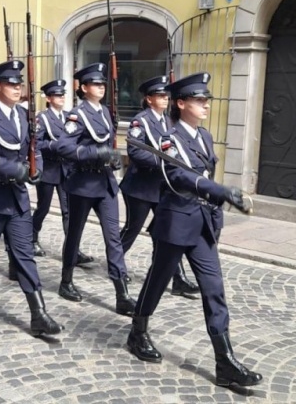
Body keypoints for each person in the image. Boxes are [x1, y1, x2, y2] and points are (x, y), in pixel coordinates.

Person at [127, 72, 261, 388]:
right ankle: (138, 331)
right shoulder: (168, 140)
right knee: (157, 281)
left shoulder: (205, 137)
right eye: (199, 100)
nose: (206, 105)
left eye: (206, 100)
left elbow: (202, 173)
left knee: (213, 289)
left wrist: (218, 200)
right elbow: (179, 178)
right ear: (182, 103)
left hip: (201, 224)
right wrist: (220, 191)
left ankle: (224, 361)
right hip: (175, 221)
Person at [0, 60, 63, 335]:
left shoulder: (25, 116)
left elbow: (36, 149)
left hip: (17, 198)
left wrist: (36, 170)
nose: (17, 89)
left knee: (25, 254)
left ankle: (38, 313)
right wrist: (14, 169)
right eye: (10, 84)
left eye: (19, 85)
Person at [55, 63, 135, 316]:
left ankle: (121, 293)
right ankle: (66, 281)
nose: (100, 87)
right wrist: (94, 153)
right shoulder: (77, 116)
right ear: (84, 88)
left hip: (106, 184)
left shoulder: (106, 112)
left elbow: (108, 142)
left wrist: (110, 157)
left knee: (113, 238)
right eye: (95, 84)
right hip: (83, 184)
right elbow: (63, 146)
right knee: (75, 234)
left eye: (103, 84)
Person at [120, 75, 198, 297]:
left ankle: (178, 278)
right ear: (149, 99)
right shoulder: (140, 121)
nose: (165, 99)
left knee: (167, 233)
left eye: (166, 96)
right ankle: (116, 264)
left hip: (162, 188)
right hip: (140, 187)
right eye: (160, 96)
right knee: (131, 229)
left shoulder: (170, 121)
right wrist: (165, 163)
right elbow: (134, 150)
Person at [31, 79, 95, 264]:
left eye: (63, 94)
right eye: (58, 95)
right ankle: (32, 239)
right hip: (49, 169)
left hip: (67, 170)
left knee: (69, 211)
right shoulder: (42, 118)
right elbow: (36, 143)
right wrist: (53, 145)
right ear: (49, 98)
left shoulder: (69, 116)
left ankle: (73, 249)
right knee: (43, 207)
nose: (62, 98)